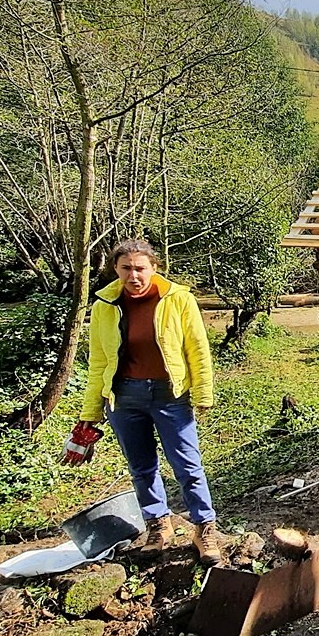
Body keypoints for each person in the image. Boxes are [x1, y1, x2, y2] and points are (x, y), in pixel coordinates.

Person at [78, 238, 222, 565]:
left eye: (140, 268)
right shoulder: (105, 306)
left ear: (154, 268)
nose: (134, 276)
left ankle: (204, 527)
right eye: (126, 268)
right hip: (124, 397)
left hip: (169, 394)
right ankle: (158, 525)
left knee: (187, 464)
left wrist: (202, 394)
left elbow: (197, 349)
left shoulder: (178, 300)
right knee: (141, 467)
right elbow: (99, 361)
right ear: (115, 270)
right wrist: (91, 411)